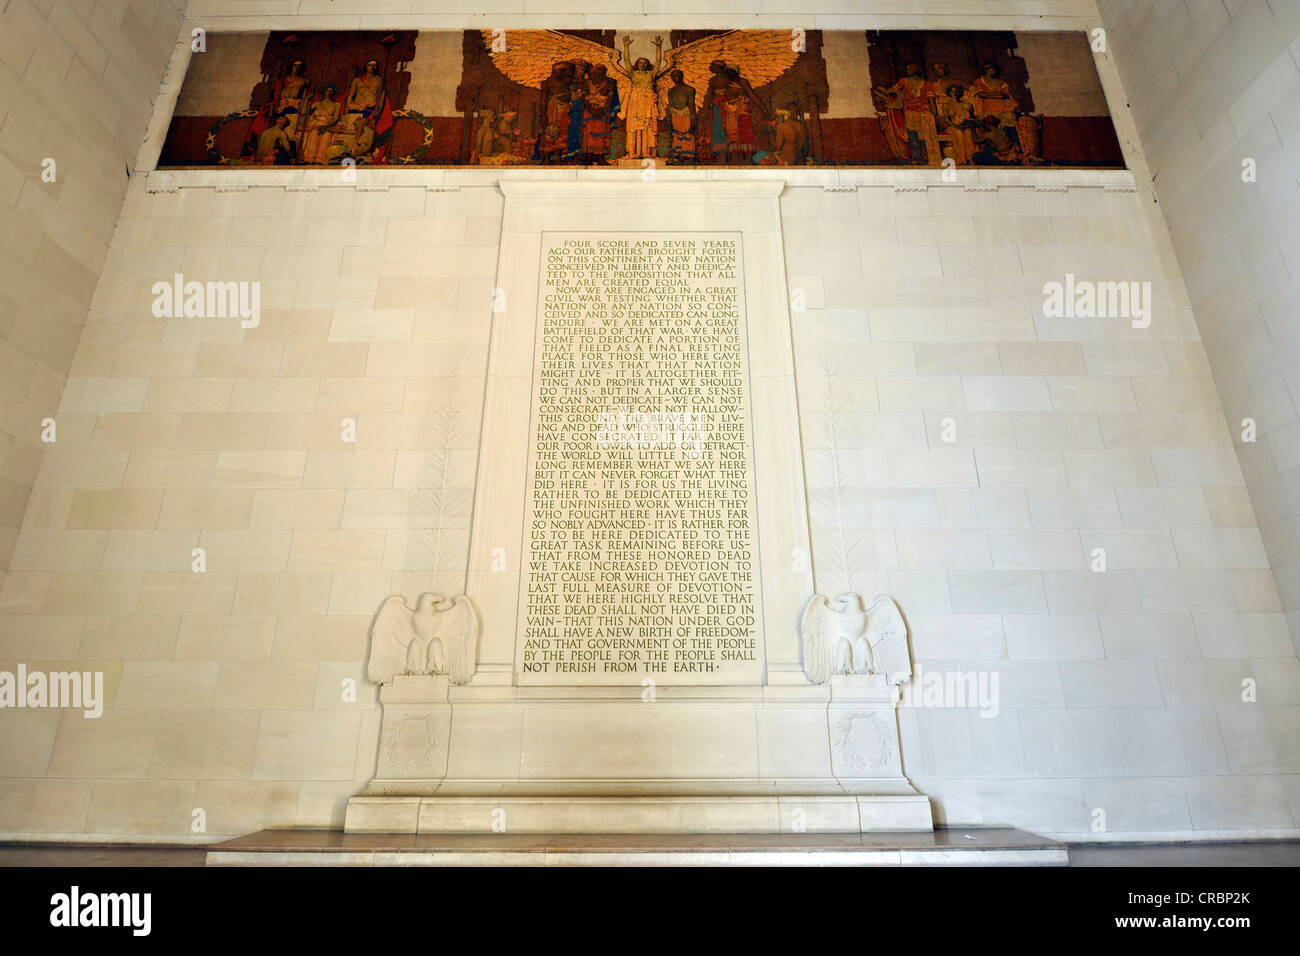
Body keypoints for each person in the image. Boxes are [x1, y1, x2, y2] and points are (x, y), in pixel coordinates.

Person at [874, 62, 940, 165]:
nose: (907, 70)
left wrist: (934, 115)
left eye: (910, 68)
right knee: (912, 136)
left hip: (924, 113)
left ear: (917, 70)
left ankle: (926, 158)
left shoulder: (927, 85)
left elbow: (931, 101)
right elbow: (891, 91)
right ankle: (916, 158)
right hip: (909, 112)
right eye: (907, 69)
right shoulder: (903, 81)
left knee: (925, 136)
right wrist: (884, 96)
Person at [614, 35, 662, 159]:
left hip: (648, 102)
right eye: (640, 63)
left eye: (645, 63)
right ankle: (633, 152)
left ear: (647, 65)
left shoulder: (651, 75)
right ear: (637, 64)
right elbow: (627, 62)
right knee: (634, 126)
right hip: (635, 101)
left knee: (648, 126)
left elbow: (658, 63)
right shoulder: (633, 74)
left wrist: (658, 47)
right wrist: (626, 47)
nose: (642, 65)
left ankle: (647, 152)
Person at [299, 84, 340, 164]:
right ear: (324, 92)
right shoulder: (317, 104)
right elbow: (303, 112)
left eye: (331, 91)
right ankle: (310, 159)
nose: (329, 93)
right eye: (327, 90)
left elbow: (335, 119)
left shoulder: (336, 105)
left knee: (326, 136)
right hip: (316, 125)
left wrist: (326, 127)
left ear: (334, 93)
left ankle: (320, 160)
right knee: (314, 134)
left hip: (328, 126)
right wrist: (307, 99)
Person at [662, 69, 696, 162]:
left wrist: (693, 118)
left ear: (682, 76)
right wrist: (668, 117)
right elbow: (670, 104)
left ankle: (687, 155)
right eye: (673, 76)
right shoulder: (671, 91)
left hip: (685, 114)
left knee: (687, 133)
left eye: (677, 75)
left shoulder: (689, 89)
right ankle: (677, 154)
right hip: (675, 114)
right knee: (676, 134)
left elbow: (691, 104)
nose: (675, 78)